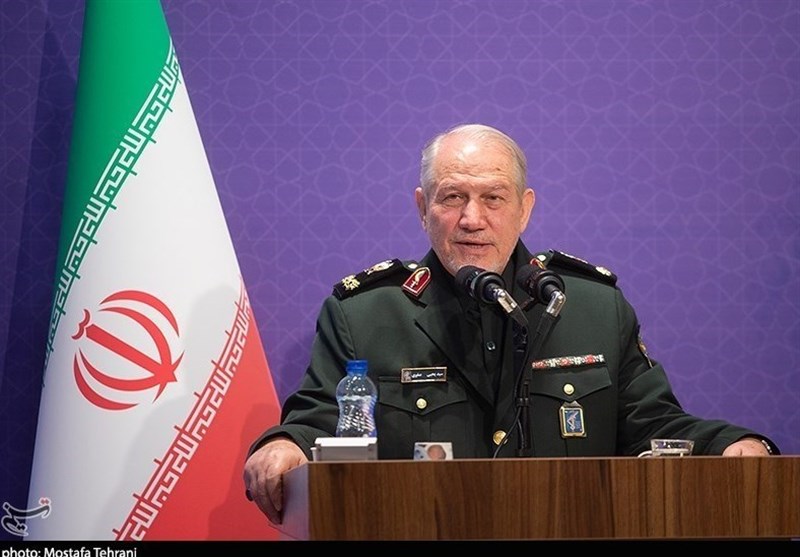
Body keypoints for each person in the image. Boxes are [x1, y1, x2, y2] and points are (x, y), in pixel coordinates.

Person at [243, 123, 779, 525]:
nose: (472, 218)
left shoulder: (592, 306)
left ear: (524, 209)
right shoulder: (364, 314)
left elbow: (652, 425)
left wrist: (731, 446)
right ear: (422, 208)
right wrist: (285, 445)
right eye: (453, 197)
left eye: (493, 198)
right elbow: (321, 421)